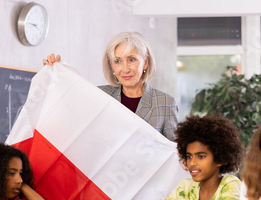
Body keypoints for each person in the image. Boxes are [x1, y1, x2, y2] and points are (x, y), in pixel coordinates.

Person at [112, 114, 243, 200]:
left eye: (201, 156)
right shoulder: (185, 187)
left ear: (220, 158)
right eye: (189, 156)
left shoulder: (231, 185)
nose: (192, 163)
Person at [43, 32, 178, 141]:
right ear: (112, 65)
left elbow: (175, 155)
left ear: (146, 62)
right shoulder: (99, 95)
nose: (125, 69)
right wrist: (56, 76)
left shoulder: (165, 103)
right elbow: (67, 110)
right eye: (117, 61)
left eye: (132, 60)